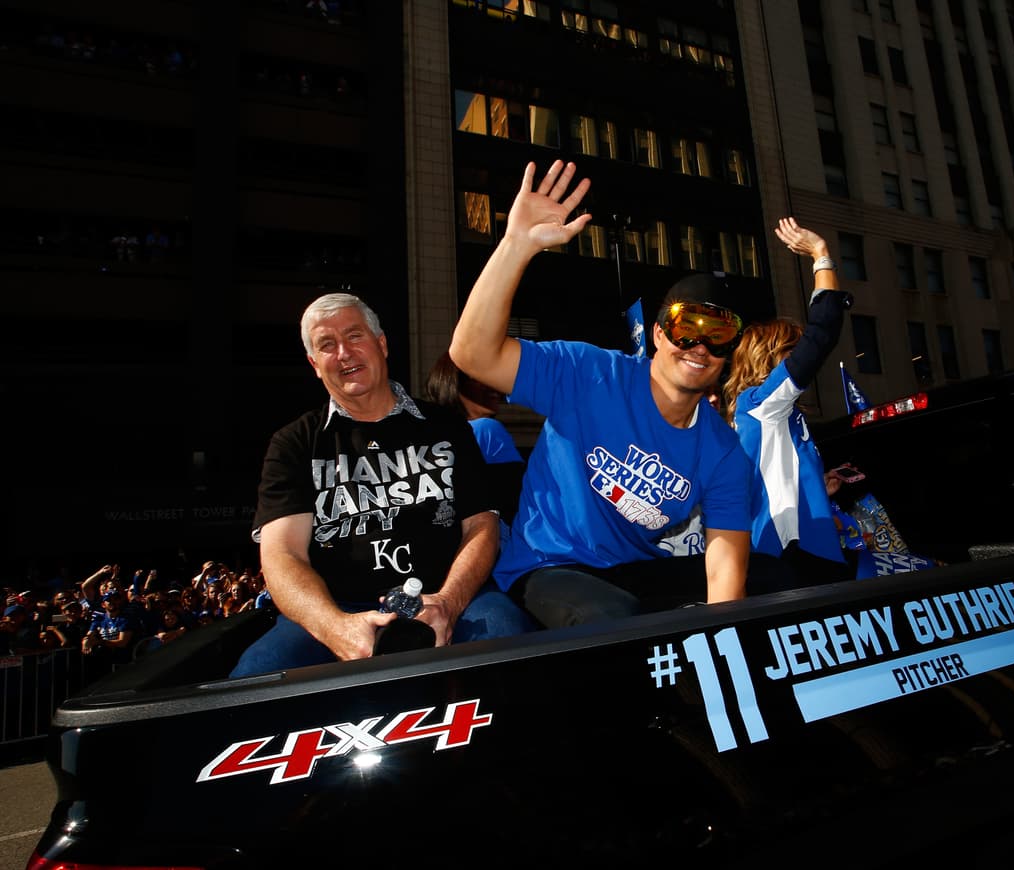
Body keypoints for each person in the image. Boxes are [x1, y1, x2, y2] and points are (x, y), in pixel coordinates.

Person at [450, 160, 770, 629]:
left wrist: (721, 647)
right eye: (686, 329)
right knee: (614, 620)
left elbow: (725, 569)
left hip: (632, 569)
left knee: (776, 579)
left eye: (718, 334)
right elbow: (472, 354)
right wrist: (516, 245)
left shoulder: (723, 454)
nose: (700, 346)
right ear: (660, 334)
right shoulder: (589, 373)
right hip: (549, 564)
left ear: (729, 352)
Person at [229, 292, 534, 678]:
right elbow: (281, 556)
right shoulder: (293, 444)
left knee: (508, 642)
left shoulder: (447, 427)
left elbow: (481, 525)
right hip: (335, 607)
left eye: (355, 336)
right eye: (327, 345)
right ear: (314, 365)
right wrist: (334, 627)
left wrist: (449, 602)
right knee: (257, 675)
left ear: (382, 344)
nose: (344, 353)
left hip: (453, 596)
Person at [721, 217, 853, 583]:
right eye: (791, 351)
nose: (801, 359)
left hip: (795, 555)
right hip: (792, 560)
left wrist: (811, 485)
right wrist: (820, 255)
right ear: (770, 356)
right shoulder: (762, 404)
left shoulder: (766, 412)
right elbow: (822, 333)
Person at [421, 351, 525, 531]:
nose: (495, 387)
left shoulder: (431, 439)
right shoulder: (486, 430)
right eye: (482, 379)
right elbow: (519, 503)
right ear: (455, 383)